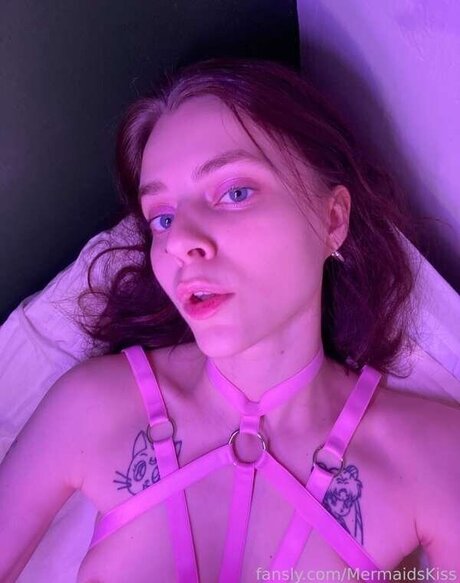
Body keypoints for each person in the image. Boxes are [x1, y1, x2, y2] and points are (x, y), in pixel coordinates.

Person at [1, 57, 459, 583]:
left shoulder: (433, 453)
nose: (178, 241)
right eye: (162, 218)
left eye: (234, 192)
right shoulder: (91, 408)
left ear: (332, 219)